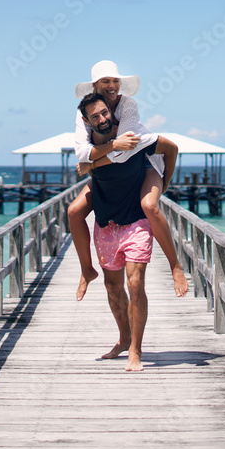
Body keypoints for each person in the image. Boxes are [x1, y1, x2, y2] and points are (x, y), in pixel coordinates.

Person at [69, 60, 188, 302]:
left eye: (115, 81)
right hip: (110, 170)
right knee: (73, 211)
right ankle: (86, 269)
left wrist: (165, 181)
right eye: (106, 81)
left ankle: (175, 266)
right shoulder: (86, 113)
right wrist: (104, 151)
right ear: (95, 86)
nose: (112, 85)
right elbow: (82, 152)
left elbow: (125, 151)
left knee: (150, 206)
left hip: (143, 160)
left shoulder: (128, 105)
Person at [77, 92, 178, 371]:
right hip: (106, 222)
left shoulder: (132, 137)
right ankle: (124, 338)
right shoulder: (86, 148)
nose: (102, 119)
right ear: (87, 121)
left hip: (136, 220)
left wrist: (165, 183)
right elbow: (86, 163)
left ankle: (136, 349)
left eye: (105, 113)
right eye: (95, 116)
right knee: (113, 287)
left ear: (113, 113)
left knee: (135, 284)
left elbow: (170, 147)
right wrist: (95, 160)